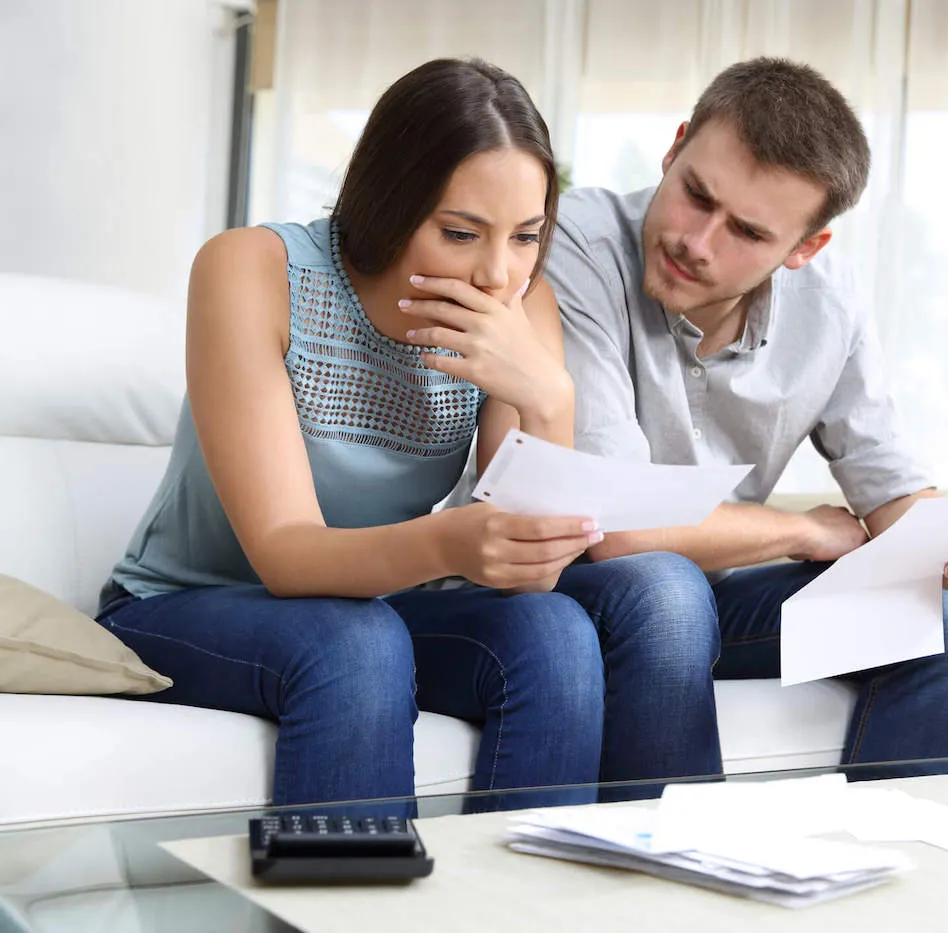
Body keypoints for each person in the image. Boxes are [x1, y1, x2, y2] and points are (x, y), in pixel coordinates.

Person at [95, 58, 717, 810]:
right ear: (390, 203)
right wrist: (451, 541)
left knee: (552, 631)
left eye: (526, 236)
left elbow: (531, 576)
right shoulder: (251, 268)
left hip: (365, 602)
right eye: (461, 233)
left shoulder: (523, 307)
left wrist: (548, 397)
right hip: (187, 603)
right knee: (355, 642)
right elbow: (287, 554)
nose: (497, 273)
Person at [547, 57, 948, 776]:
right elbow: (622, 529)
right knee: (664, 587)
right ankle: (679, 868)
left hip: (706, 603)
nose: (698, 242)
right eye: (695, 195)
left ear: (805, 248)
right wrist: (807, 530)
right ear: (676, 145)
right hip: (568, 595)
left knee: (946, 616)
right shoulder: (579, 244)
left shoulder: (830, 300)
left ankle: (875, 863)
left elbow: (891, 495)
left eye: (747, 233)